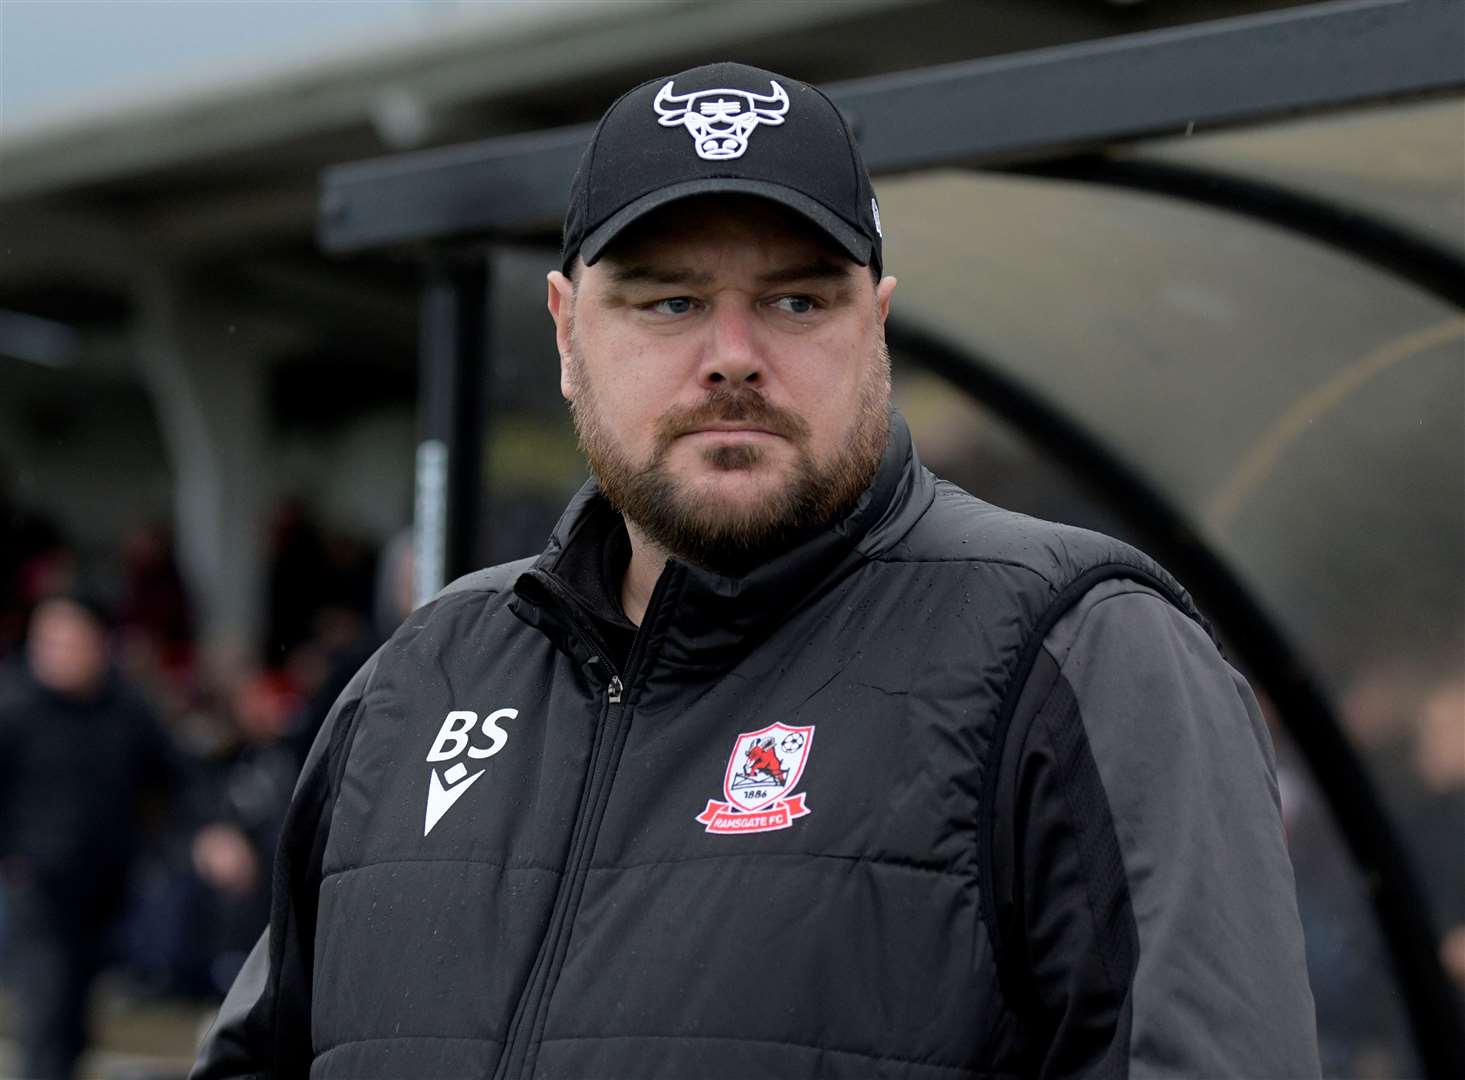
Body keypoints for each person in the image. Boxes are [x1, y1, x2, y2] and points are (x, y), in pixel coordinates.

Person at [192, 62, 1319, 1079]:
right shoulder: (422, 677)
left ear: (875, 323)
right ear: (565, 329)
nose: (732, 356)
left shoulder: (1077, 654)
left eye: (796, 298)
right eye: (667, 300)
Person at [0, 593, 182, 1080]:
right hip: (34, 886)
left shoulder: (126, 709)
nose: (58, 652)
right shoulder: (14, 707)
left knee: (76, 1020)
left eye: (69, 640)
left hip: (105, 888)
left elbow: (174, 778)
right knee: (46, 1014)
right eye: (47, 640)